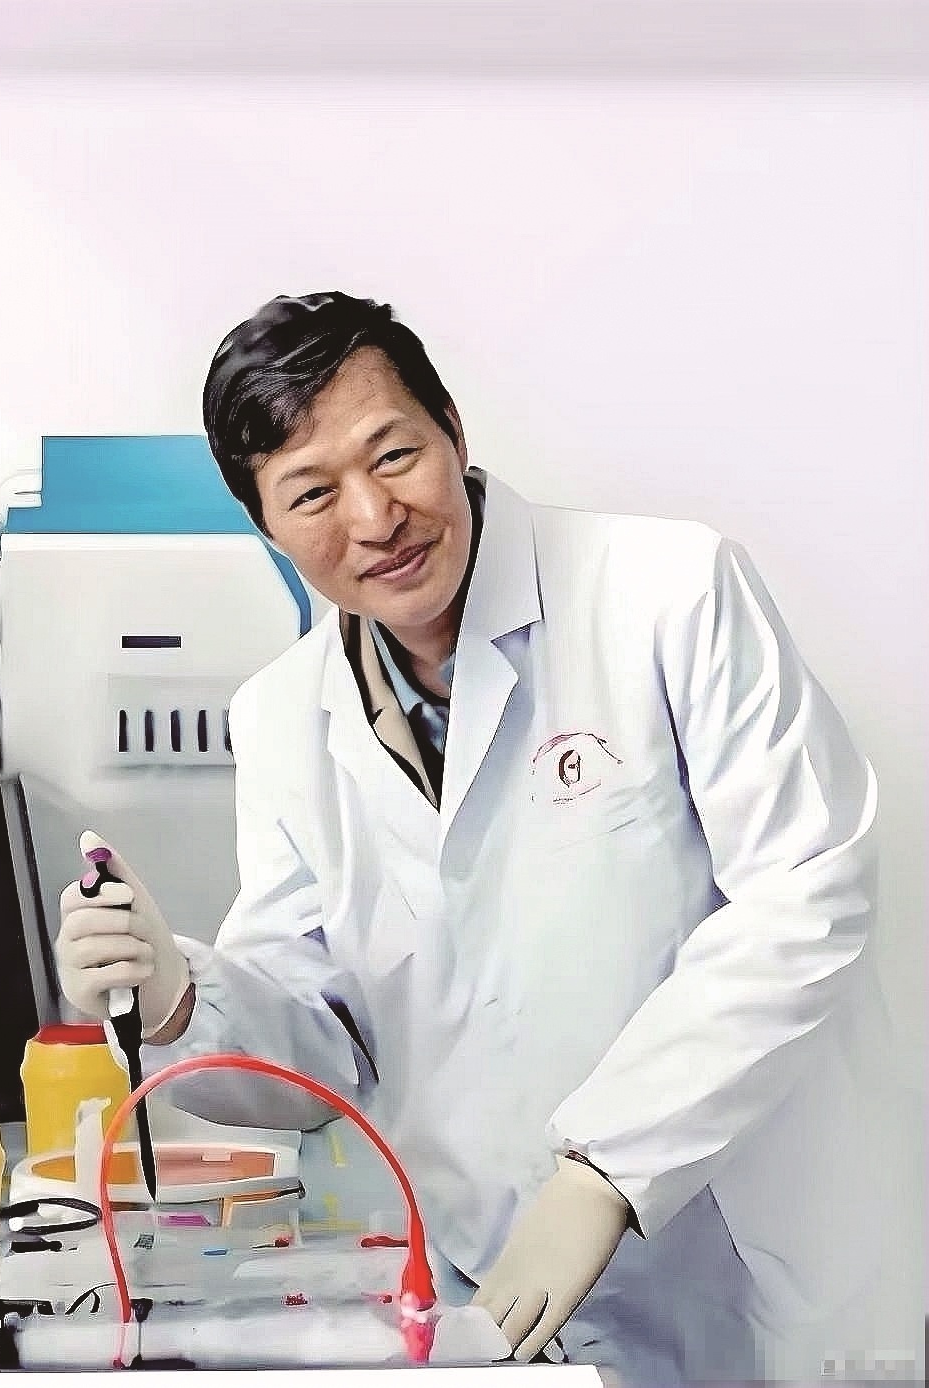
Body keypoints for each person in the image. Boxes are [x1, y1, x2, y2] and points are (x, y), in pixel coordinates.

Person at [56, 291, 893, 1383]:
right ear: (264, 523)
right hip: (495, 1285)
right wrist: (181, 997)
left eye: (394, 454)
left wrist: (605, 1170)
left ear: (452, 427)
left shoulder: (667, 593)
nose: (374, 517)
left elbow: (804, 893)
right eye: (312, 492)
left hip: (743, 1268)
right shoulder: (282, 718)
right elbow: (320, 1046)